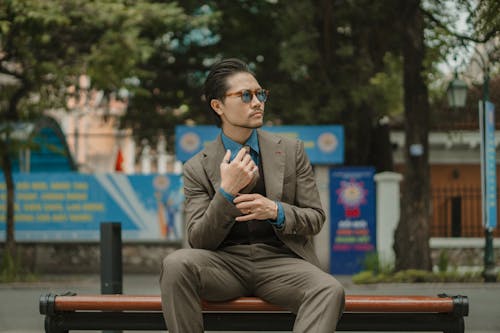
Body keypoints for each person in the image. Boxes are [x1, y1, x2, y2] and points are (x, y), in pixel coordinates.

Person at [159, 58, 345, 333]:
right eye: (245, 95)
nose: (257, 102)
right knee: (175, 264)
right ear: (218, 106)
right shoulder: (197, 166)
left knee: (330, 289)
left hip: (282, 263)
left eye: (260, 94)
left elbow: (315, 218)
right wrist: (226, 191)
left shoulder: (292, 151)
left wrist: (276, 211)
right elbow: (198, 238)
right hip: (224, 265)